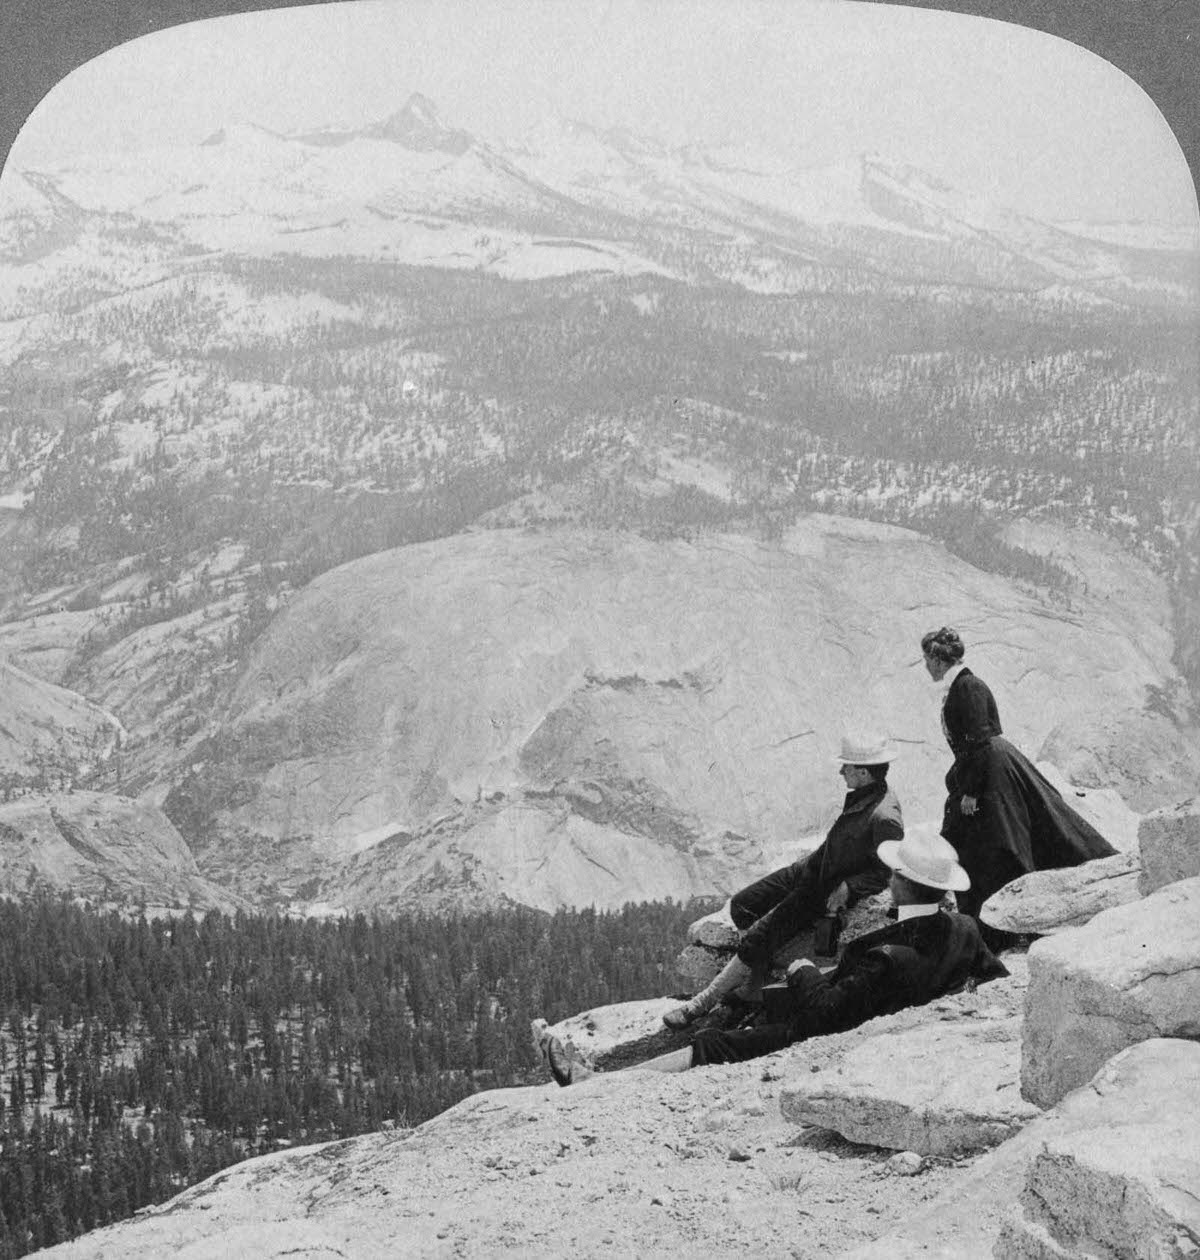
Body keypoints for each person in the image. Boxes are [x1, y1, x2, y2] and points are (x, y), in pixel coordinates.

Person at [536, 828, 1008, 1085]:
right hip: (872, 1010)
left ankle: (592, 1085)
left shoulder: (886, 954)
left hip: (819, 1030)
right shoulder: (964, 929)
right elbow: (995, 979)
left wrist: (803, 971)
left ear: (904, 884)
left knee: (715, 1045)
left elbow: (828, 1015)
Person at [661, 733, 904, 1031]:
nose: (841, 772)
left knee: (758, 937)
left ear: (864, 772)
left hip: (819, 889)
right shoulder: (866, 796)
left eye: (847, 768)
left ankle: (702, 1004)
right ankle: (752, 986)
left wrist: (849, 888)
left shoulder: (884, 816)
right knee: (743, 905)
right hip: (808, 868)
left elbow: (885, 870)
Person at [920, 626, 1116, 925]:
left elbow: (979, 739)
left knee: (1001, 843)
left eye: (926, 659)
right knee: (984, 839)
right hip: (985, 766)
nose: (925, 666)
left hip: (988, 770)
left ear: (936, 659)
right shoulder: (961, 684)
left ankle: (993, 920)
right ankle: (980, 917)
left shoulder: (968, 686)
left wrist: (971, 790)